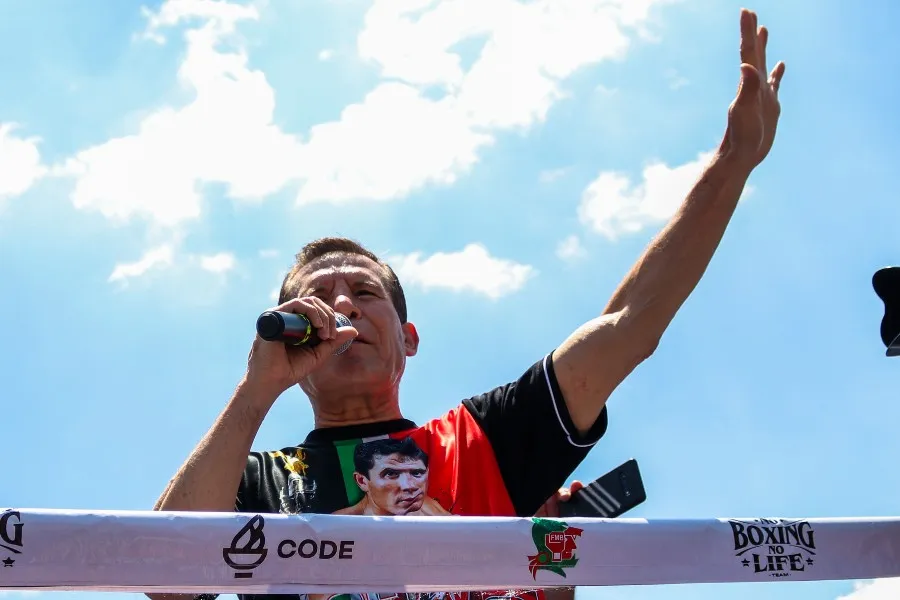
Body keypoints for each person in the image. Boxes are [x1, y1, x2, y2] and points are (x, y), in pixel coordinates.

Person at [150, 7, 784, 600]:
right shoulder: (258, 479)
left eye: (365, 292)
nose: (340, 303)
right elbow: (166, 578)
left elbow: (626, 326)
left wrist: (733, 163)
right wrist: (255, 392)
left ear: (410, 337)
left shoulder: (481, 439)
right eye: (316, 297)